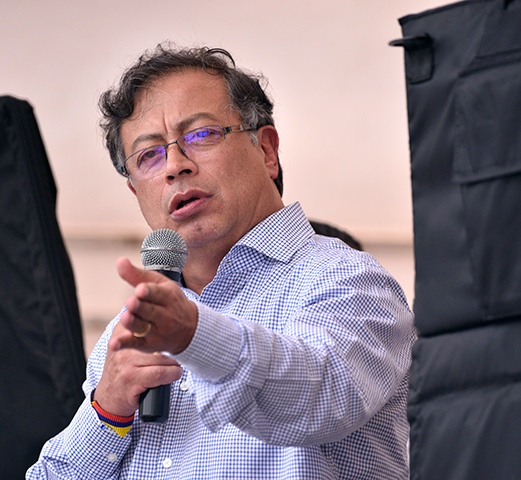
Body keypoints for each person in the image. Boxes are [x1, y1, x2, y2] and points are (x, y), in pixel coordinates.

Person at [27, 43, 416, 479]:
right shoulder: (128, 333)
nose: (174, 165)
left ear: (267, 150)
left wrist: (195, 335)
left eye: (200, 135)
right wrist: (108, 410)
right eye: (149, 155)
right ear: (137, 193)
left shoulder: (347, 280)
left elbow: (320, 396)